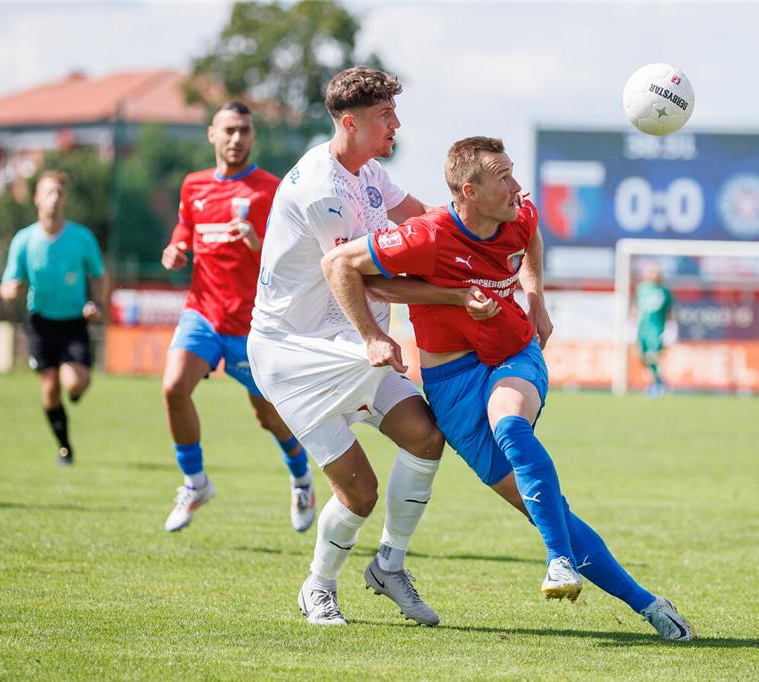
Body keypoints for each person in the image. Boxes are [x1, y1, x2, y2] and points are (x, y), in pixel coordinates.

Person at [322, 136, 696, 641]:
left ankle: (560, 561)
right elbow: (346, 269)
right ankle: (651, 606)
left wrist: (535, 296)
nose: (518, 187)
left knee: (511, 424)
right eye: (504, 177)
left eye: (514, 173)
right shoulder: (426, 236)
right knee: (548, 511)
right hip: (451, 385)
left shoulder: (518, 213)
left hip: (514, 354)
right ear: (469, 192)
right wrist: (436, 306)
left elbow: (532, 235)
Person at [248, 66, 483, 627]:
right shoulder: (323, 191)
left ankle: (389, 566)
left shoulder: (368, 169)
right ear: (350, 123)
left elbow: (422, 220)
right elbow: (351, 275)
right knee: (360, 493)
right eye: (386, 117)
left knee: (427, 438)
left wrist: (481, 234)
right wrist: (439, 303)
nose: (396, 125)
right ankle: (318, 587)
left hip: (350, 347)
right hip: (296, 356)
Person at [160, 101, 317, 534]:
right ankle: (195, 483)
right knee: (174, 387)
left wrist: (257, 242)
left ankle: (302, 478)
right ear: (212, 134)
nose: (236, 139)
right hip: (203, 313)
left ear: (253, 136)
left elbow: (293, 258)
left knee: (268, 416)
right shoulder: (193, 186)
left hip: (254, 324)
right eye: (228, 130)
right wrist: (175, 250)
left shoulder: (270, 190)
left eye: (244, 130)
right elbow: (185, 231)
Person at [0, 170, 104, 466]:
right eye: (48, 192)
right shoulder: (24, 240)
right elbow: (8, 283)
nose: (54, 198)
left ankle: (73, 387)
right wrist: (11, 291)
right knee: (49, 391)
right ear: (37, 199)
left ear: (65, 199)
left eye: (59, 193)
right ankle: (65, 448)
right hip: (41, 322)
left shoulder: (81, 238)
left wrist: (95, 303)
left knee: (75, 385)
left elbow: (98, 274)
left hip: (73, 321)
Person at [633, 262, 674, 398]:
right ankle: (658, 380)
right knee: (642, 357)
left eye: (654, 271)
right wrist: (630, 325)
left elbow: (669, 312)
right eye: (649, 271)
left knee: (653, 355)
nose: (652, 274)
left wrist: (670, 330)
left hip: (656, 329)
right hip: (642, 328)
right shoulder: (642, 289)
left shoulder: (664, 291)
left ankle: (657, 384)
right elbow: (636, 308)